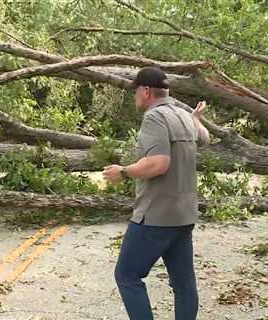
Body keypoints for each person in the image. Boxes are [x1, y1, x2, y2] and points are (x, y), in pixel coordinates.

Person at [103, 67, 210, 320]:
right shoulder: (184, 116)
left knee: (127, 275)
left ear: (146, 91)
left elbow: (158, 164)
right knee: (183, 283)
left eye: (135, 92)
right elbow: (205, 137)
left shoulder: (155, 117)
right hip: (184, 216)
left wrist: (124, 171)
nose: (134, 97)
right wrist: (195, 118)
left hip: (156, 216)